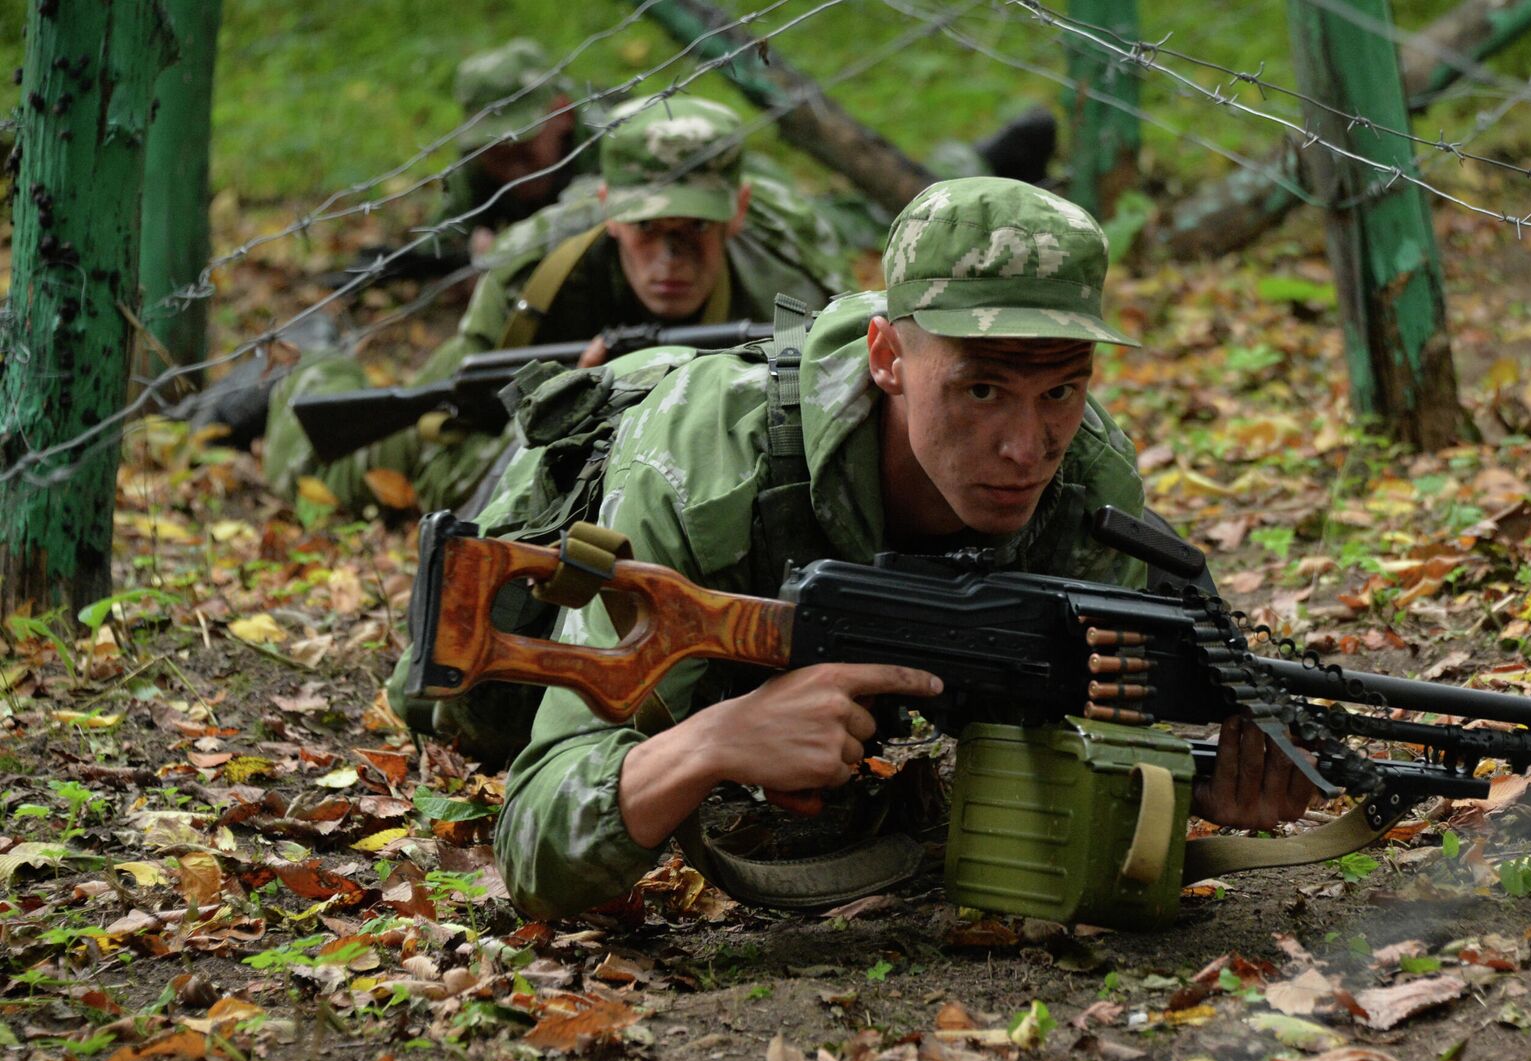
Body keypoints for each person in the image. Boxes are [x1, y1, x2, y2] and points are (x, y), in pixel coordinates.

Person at [492, 177, 1315, 920]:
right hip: (584, 488)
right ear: (886, 357)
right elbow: (532, 844)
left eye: (1061, 389)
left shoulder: (1087, 483)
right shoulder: (706, 478)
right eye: (982, 389)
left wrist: (1184, 783)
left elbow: (1059, 732)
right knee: (472, 705)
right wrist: (716, 741)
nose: (1027, 449)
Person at [263, 95, 848, 514]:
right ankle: (306, 363)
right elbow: (464, 430)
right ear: (609, 211)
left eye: (696, 228)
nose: (670, 259)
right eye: (648, 229)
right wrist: (561, 421)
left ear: (737, 213)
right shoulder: (534, 273)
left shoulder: (791, 290)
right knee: (323, 472)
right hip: (500, 408)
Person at [434, 39, 602, 257]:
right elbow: (438, 243)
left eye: (523, 151)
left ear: (563, 113)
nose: (514, 173)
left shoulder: (605, 141)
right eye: (497, 156)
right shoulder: (473, 162)